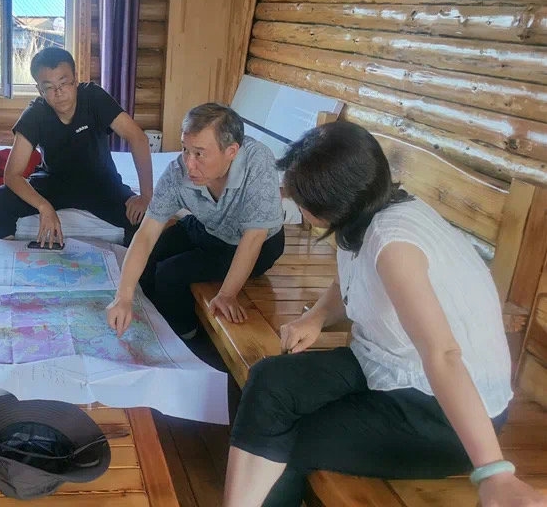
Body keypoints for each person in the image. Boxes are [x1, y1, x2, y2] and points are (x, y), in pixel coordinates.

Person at [224, 121, 543, 507]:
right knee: (270, 380)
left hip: (447, 414)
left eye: (299, 199)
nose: (295, 205)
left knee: (287, 440)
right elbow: (352, 281)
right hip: (389, 365)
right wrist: (316, 317)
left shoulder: (394, 246)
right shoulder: (365, 212)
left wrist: (494, 472)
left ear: (330, 203)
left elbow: (444, 355)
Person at [107, 103, 285, 339]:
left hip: (255, 244)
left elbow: (254, 237)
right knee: (150, 258)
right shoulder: (177, 172)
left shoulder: (258, 161)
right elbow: (147, 234)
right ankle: (148, 318)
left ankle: (186, 336)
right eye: (185, 149)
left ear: (231, 151)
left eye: (199, 153)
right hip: (208, 226)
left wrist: (227, 294)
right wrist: (123, 297)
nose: (189, 164)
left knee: (170, 274)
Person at [0, 47, 153, 247]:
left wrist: (146, 196)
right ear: (40, 90)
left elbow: (138, 138)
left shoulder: (94, 98)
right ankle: (4, 261)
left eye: (64, 83)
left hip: (102, 183)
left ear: (75, 80)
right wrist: (44, 207)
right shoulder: (35, 114)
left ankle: (129, 266)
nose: (59, 93)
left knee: (145, 218)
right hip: (54, 183)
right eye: (49, 87)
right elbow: (12, 175)